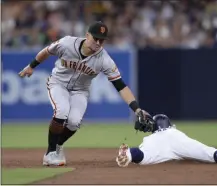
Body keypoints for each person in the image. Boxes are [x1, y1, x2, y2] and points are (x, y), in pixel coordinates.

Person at [18, 21, 151, 166]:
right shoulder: (67, 43)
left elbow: (120, 86)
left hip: (80, 91)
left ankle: (57, 147)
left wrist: (136, 109)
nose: (98, 43)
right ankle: (50, 153)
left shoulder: (104, 59)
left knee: (74, 122)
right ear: (87, 35)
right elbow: (47, 51)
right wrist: (31, 66)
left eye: (102, 40)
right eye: (96, 38)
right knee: (61, 111)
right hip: (58, 83)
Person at [116, 114, 217, 167]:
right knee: (213, 154)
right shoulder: (174, 132)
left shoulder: (150, 138)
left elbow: (142, 155)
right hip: (178, 140)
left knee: (142, 155)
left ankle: (128, 153)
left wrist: (131, 154)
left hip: (158, 145)